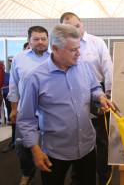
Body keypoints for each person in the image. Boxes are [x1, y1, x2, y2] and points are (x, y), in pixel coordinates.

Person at [17, 24, 115, 185]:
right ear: (55, 49)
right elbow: (26, 119)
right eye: (72, 50)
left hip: (87, 147)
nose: (79, 53)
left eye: (79, 47)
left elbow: (95, 87)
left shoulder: (84, 67)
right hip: (55, 152)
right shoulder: (35, 78)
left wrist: (100, 97)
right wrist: (35, 149)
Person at [60, 12, 113, 185]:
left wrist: (108, 94)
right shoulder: (62, 46)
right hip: (73, 95)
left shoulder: (96, 42)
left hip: (98, 94)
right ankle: (78, 177)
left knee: (103, 140)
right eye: (69, 27)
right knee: (77, 137)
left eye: (76, 25)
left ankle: (104, 178)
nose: (75, 29)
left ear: (82, 23)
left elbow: (107, 68)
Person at [8, 26, 51, 185]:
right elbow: (13, 84)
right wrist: (14, 108)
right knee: (22, 144)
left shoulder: (55, 57)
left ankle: (52, 172)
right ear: (28, 40)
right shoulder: (19, 58)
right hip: (26, 110)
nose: (40, 42)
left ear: (48, 39)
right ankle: (28, 173)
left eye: (43, 39)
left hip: (50, 110)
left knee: (52, 144)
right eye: (36, 39)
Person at [1, 64, 14, 153]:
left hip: (7, 93)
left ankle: (9, 119)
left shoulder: (7, 75)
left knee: (9, 108)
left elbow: (11, 84)